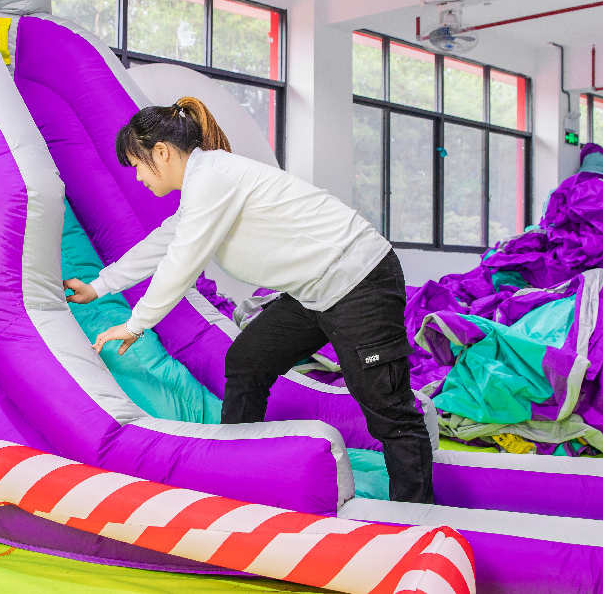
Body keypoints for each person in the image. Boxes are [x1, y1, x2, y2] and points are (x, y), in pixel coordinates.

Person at [63, 97, 433, 503]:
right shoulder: (204, 185)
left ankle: (415, 513)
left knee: (387, 407)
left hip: (360, 279)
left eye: (136, 164)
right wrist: (99, 286)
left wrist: (136, 324)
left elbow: (181, 260)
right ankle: (236, 470)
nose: (137, 177)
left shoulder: (213, 178)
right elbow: (164, 242)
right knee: (247, 360)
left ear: (162, 152)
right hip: (314, 291)